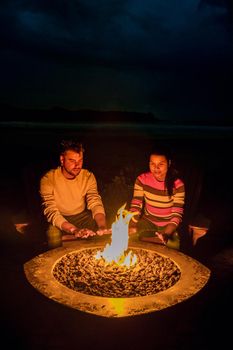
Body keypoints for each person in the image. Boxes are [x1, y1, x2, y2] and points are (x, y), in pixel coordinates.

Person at [40, 139, 108, 249]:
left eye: (80, 160)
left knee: (100, 228)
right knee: (52, 233)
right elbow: (51, 211)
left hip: (81, 216)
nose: (77, 165)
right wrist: (74, 230)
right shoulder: (48, 179)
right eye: (72, 161)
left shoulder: (88, 176)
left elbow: (95, 202)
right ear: (62, 159)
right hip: (59, 217)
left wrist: (102, 226)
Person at [128, 146, 185, 250]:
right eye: (152, 163)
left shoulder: (178, 185)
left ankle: (154, 240)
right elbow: (136, 205)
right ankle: (151, 240)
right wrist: (132, 224)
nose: (156, 168)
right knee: (129, 237)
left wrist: (166, 234)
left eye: (161, 164)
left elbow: (177, 214)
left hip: (168, 224)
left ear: (169, 163)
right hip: (148, 221)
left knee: (173, 246)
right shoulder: (142, 180)